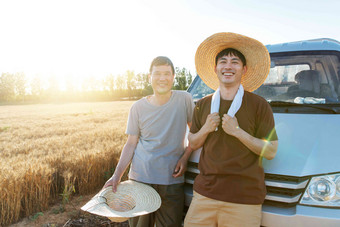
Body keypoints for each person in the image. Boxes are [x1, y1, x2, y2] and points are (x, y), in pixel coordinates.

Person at [184, 32, 279, 227]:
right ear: (215, 68)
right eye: (223, 61)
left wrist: (238, 132)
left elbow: (271, 151)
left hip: (244, 200)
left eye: (235, 62)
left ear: (244, 69)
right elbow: (193, 142)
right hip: (204, 195)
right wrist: (206, 130)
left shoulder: (259, 105)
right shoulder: (203, 104)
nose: (228, 66)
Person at [104, 56, 195, 227]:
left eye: (167, 74)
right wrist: (117, 175)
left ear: (173, 77)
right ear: (149, 77)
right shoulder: (137, 107)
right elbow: (131, 143)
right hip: (141, 179)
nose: (162, 78)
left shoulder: (185, 99)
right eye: (157, 74)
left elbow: (194, 133)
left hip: (172, 180)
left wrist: (185, 157)